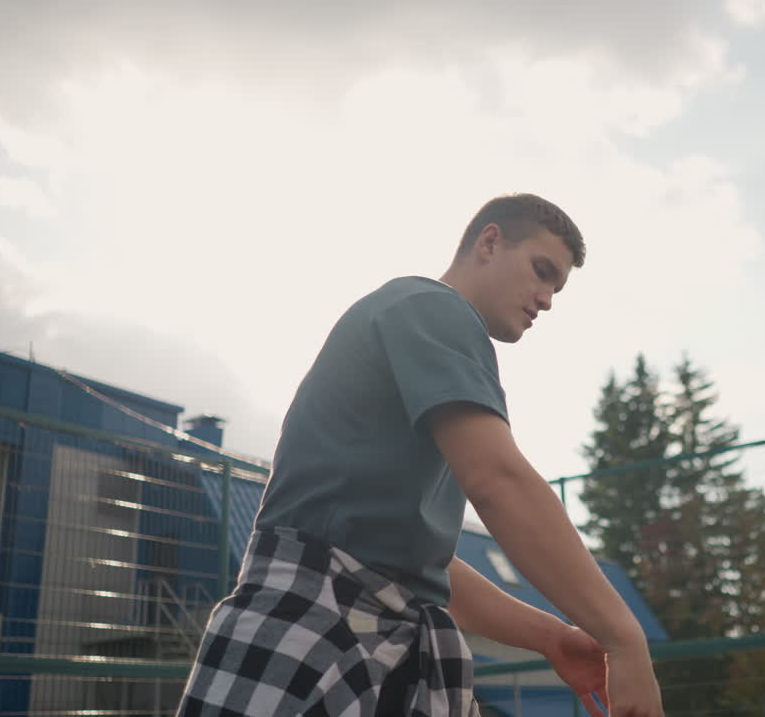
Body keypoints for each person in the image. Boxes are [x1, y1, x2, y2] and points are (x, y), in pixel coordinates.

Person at [177, 193, 664, 716]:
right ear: (490, 241)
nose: (546, 298)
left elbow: (418, 570)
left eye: (557, 288)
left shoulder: (429, 345)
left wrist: (553, 638)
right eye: (541, 271)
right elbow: (498, 481)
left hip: (380, 642)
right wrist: (623, 638)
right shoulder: (430, 306)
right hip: (311, 626)